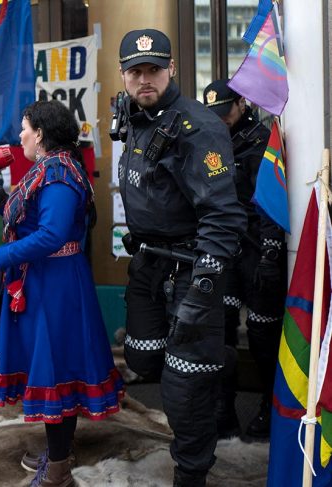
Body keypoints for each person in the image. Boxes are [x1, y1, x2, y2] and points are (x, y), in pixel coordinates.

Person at [116, 30, 246, 486]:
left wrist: (204, 288)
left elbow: (224, 218)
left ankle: (191, 475)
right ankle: (221, 360)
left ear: (172, 69)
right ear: (124, 75)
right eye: (136, 71)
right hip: (149, 265)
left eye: (153, 69)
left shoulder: (199, 127)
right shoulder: (135, 114)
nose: (144, 78)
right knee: (144, 360)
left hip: (191, 268)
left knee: (184, 389)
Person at [0, 101, 123, 486]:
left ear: (41, 133)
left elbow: (52, 234)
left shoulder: (57, 172)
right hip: (48, 280)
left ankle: (58, 466)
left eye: (24, 128)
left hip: (54, 285)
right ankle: (59, 450)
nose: (20, 135)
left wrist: (2, 255)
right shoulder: (52, 168)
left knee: (55, 368)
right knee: (55, 366)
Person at [203, 79, 286, 439]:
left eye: (225, 112)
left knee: (262, 335)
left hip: (258, 249)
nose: (220, 120)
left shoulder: (262, 141)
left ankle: (271, 407)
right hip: (225, 250)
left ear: (241, 104)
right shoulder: (211, 141)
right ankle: (224, 409)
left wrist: (270, 252)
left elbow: (271, 201)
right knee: (220, 329)